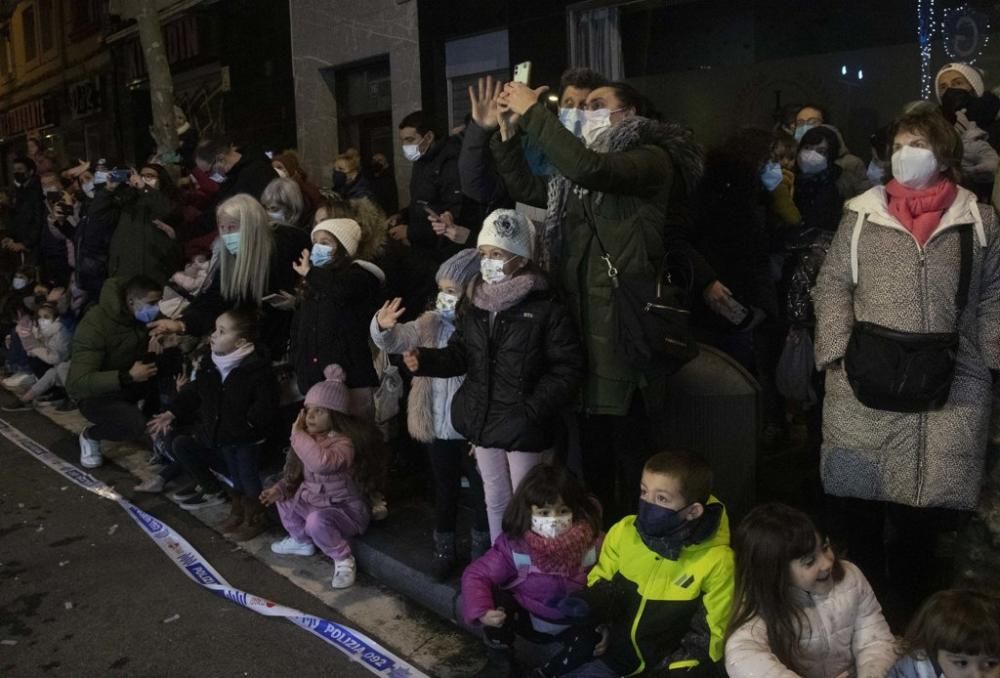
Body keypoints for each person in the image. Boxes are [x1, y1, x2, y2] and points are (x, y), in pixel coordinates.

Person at [812, 106, 1000, 620]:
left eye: (917, 144)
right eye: (899, 144)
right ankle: (866, 622)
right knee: (864, 513)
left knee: (924, 520)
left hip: (949, 385)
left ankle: (919, 630)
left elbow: (992, 296)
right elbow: (832, 285)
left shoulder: (978, 220)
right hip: (865, 381)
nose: (905, 154)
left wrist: (987, 362)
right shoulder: (862, 212)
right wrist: (835, 353)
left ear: (944, 154)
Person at [494, 79, 703, 522]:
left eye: (597, 105)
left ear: (629, 112)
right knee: (591, 459)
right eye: (582, 106)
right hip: (584, 333)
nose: (585, 111)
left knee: (633, 454)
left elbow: (592, 170)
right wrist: (510, 134)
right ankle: (600, 542)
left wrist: (536, 113)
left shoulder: (650, 159)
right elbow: (532, 189)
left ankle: (643, 538)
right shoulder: (578, 174)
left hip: (624, 332)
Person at [403, 209, 582, 542]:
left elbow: (566, 367)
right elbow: (461, 353)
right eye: (484, 254)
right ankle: (506, 562)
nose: (488, 262)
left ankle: (532, 570)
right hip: (483, 419)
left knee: (527, 502)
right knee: (494, 499)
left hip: (524, 425)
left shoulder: (545, 308)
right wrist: (425, 361)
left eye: (497, 254)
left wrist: (531, 409)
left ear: (521, 258)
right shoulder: (475, 304)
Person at [558, 451, 734, 677]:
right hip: (614, 654)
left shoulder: (717, 561)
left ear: (693, 512)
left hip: (664, 669)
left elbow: (710, 635)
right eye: (644, 492)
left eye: (662, 499)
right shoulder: (624, 531)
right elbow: (602, 581)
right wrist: (594, 615)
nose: (648, 504)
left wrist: (676, 669)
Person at [370, 248, 487, 580]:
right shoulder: (430, 323)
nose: (444, 297)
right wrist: (382, 326)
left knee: (481, 494)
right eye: (442, 290)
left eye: (452, 291)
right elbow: (397, 339)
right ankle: (444, 547)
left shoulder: (480, 329)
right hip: (436, 425)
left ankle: (482, 552)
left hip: (470, 430)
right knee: (444, 489)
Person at [462, 464, 603, 677]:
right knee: (494, 595)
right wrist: (482, 611)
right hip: (527, 616)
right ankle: (500, 663)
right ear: (529, 511)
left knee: (593, 641)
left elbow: (614, 585)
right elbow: (477, 574)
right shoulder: (515, 545)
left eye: (563, 511)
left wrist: (606, 624)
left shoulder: (596, 544)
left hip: (571, 622)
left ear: (576, 510)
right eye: (544, 512)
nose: (554, 519)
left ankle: (545, 674)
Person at [725, 503, 896, 678]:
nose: (827, 563)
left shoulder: (850, 577)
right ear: (776, 572)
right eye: (809, 561)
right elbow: (742, 655)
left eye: (825, 548)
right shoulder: (761, 607)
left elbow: (876, 642)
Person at [147, 308, 278, 533]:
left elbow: (266, 406)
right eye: (215, 329)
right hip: (223, 433)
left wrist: (249, 425)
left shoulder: (256, 370)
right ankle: (238, 512)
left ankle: (256, 518)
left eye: (222, 331)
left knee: (248, 477)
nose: (214, 335)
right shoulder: (211, 364)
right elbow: (195, 391)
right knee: (235, 476)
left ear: (240, 342)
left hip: (247, 438)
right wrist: (173, 411)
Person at [149, 194, 309, 361]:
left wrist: (299, 301)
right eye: (222, 228)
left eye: (232, 227)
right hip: (258, 335)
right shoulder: (232, 256)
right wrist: (182, 324)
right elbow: (216, 297)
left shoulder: (288, 245)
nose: (226, 235)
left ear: (251, 226)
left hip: (293, 333)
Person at [261, 364, 374, 590]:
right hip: (314, 501)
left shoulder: (344, 443)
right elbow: (296, 476)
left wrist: (298, 435)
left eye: (319, 411)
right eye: (308, 409)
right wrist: (280, 489)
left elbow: (321, 464)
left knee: (316, 522)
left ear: (335, 416)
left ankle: (342, 558)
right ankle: (302, 541)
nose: (310, 416)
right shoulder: (308, 440)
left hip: (345, 511)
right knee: (283, 498)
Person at [67, 275, 162, 469]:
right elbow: (79, 381)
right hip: (96, 393)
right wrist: (127, 376)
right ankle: (91, 435)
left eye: (159, 302)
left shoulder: (140, 317)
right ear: (131, 301)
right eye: (152, 303)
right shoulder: (95, 325)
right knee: (133, 425)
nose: (157, 308)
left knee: (170, 375)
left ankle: (162, 443)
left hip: (132, 380)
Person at [290, 217, 383, 412]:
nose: (317, 248)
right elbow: (300, 329)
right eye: (315, 242)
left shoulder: (358, 276)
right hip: (315, 382)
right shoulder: (313, 282)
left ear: (342, 248)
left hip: (352, 380)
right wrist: (300, 368)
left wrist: (310, 273)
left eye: (325, 243)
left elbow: (340, 290)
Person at [387, 111, 464, 261]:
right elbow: (422, 202)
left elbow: (453, 216)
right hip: (423, 248)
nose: (405, 146)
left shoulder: (450, 163)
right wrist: (403, 215)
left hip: (443, 252)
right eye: (402, 141)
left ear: (428, 137)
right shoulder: (421, 161)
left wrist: (410, 232)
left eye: (410, 140)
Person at [100, 164, 182, 287]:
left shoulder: (168, 200)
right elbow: (97, 215)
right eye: (141, 175)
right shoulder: (127, 201)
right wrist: (109, 189)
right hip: (125, 270)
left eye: (150, 176)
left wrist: (145, 188)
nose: (143, 179)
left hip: (155, 271)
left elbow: (165, 211)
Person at [889, 589, 1000, 678]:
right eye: (961, 663)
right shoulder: (911, 672)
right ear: (934, 656)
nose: (977, 676)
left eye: (990, 664)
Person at [936, 63, 1000, 201]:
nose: (950, 90)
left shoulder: (996, 119)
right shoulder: (936, 129)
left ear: (974, 88)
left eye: (958, 83)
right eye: (943, 87)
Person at [1, 302, 71, 410]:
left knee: (59, 369)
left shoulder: (60, 332)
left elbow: (56, 358)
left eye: (46, 317)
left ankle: (76, 399)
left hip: (69, 365)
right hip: (59, 366)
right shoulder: (47, 332)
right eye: (40, 317)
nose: (42, 320)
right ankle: (24, 400)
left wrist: (35, 349)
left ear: (55, 318)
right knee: (50, 374)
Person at [792, 105, 870, 198]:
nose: (805, 127)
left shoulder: (851, 163)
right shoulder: (790, 159)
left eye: (812, 122)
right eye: (800, 123)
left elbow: (864, 198)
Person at [794, 125, 846, 233]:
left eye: (821, 151)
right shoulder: (786, 178)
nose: (811, 155)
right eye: (807, 148)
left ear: (830, 157)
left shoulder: (837, 184)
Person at [197, 137, 277, 205]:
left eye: (209, 172)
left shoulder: (255, 172)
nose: (210, 177)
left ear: (220, 159)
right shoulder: (232, 176)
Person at [5, 156, 44, 259]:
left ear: (30, 172)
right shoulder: (19, 191)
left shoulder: (37, 192)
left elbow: (38, 221)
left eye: (20, 169)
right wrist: (10, 237)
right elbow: (15, 217)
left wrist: (26, 244)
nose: (16, 173)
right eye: (14, 170)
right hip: (20, 245)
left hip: (34, 248)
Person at [273, 150, 323, 219]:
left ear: (290, 169)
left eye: (279, 167)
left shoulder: (306, 191)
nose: (275, 170)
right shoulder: (273, 191)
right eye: (273, 168)